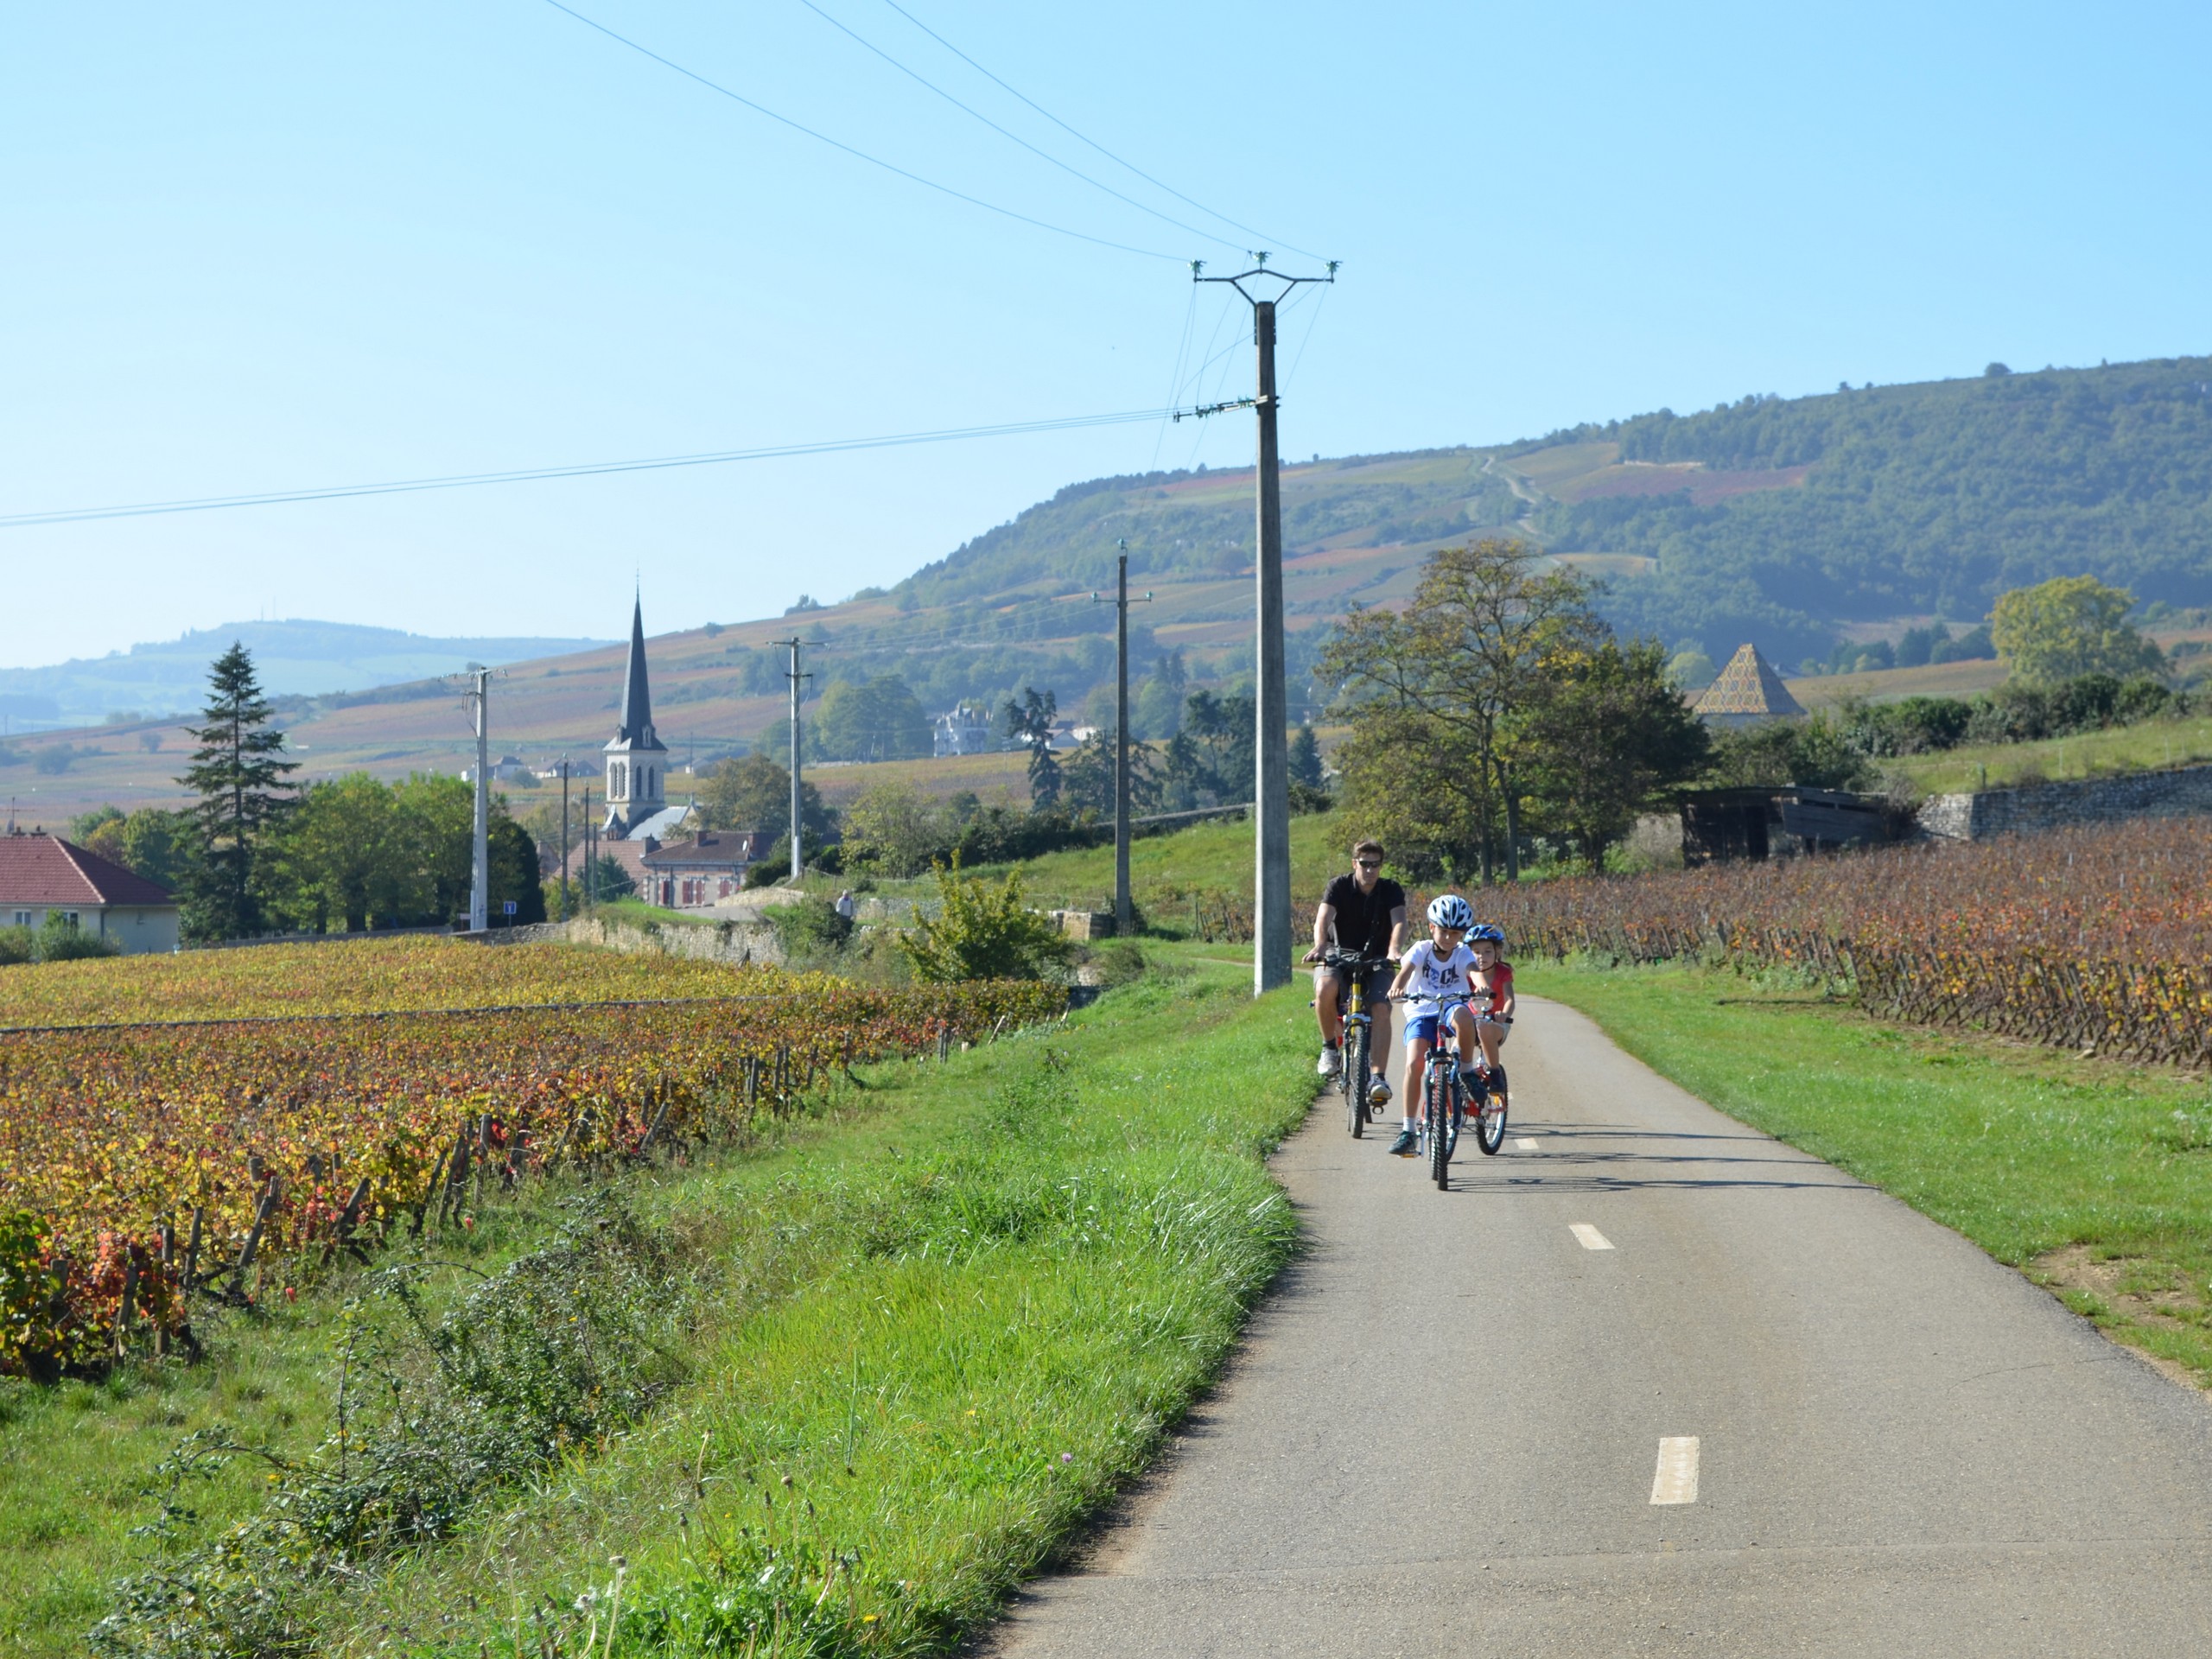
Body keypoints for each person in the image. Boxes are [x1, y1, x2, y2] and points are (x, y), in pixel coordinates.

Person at [1301, 839, 1407, 1106]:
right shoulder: (1338, 886)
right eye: (1364, 864)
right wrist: (1321, 945)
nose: (1370, 870)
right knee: (1324, 989)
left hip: (1378, 959)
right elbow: (1323, 919)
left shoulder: (1391, 889)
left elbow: (1400, 922)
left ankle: (1378, 1078)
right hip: (1339, 955)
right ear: (1354, 864)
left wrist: (1395, 949)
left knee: (1381, 1007)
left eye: (1375, 865)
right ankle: (1329, 1049)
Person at [1383, 893, 1485, 1155]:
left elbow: (1474, 971)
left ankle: (1465, 1071)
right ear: (1432, 928)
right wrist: (1396, 989)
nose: (1449, 938)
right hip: (1422, 1009)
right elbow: (1405, 972)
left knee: (1465, 1017)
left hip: (1452, 1005)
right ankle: (1408, 1130)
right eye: (1444, 932)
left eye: (1455, 933)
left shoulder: (1462, 953)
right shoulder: (1421, 949)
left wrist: (1482, 984)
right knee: (1414, 1062)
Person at [1467, 924, 1515, 1101]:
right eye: (1476, 952)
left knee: (1484, 1027)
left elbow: (1510, 999)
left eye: (1488, 951)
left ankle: (1495, 1075)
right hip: (1470, 1023)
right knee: (1455, 1048)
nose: (1481, 957)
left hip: (1495, 1024)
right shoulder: (1468, 975)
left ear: (1498, 953)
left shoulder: (1503, 972)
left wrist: (1504, 1013)